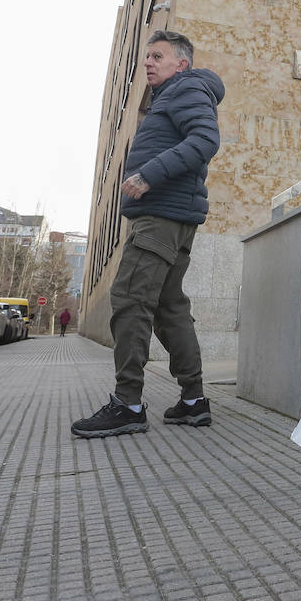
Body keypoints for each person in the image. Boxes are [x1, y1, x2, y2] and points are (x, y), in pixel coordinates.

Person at [72, 30, 225, 438]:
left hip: (160, 216)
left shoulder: (185, 89)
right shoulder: (176, 95)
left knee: (130, 300)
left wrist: (148, 174)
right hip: (174, 218)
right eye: (146, 58)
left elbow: (206, 141)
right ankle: (193, 401)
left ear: (182, 63)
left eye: (157, 56)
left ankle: (127, 404)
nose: (148, 63)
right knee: (169, 307)